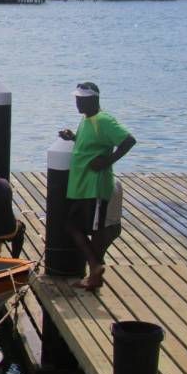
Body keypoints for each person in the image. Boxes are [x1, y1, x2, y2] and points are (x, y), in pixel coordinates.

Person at [58, 81, 136, 291]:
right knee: (74, 226)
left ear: (93, 99)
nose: (77, 103)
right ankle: (95, 269)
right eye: (76, 99)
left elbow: (128, 140)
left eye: (81, 100)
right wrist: (73, 137)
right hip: (81, 185)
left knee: (93, 228)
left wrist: (108, 160)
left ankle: (95, 267)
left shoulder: (103, 120)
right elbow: (90, 144)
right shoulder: (86, 120)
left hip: (95, 185)